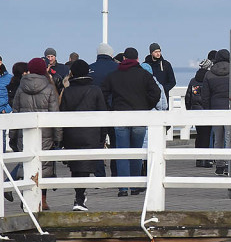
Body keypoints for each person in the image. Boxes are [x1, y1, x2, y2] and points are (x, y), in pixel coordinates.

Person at [102, 47, 162, 194]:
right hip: (139, 116)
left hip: (120, 117)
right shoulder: (144, 75)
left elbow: (103, 92)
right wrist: (147, 106)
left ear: (123, 59)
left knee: (122, 153)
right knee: (137, 152)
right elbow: (156, 92)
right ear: (137, 59)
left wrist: (112, 107)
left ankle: (123, 187)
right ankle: (135, 185)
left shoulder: (113, 76)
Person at [13, 58, 61, 210]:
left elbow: (15, 112)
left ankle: (26, 196)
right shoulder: (49, 88)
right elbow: (55, 114)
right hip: (45, 134)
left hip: (24, 133)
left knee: (26, 163)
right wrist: (58, 137)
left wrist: (12, 136)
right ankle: (42, 200)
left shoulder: (21, 88)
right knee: (44, 166)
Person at [59, 59, 107, 211]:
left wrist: (62, 139)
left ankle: (79, 196)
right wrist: (102, 136)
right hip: (90, 134)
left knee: (75, 167)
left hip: (72, 134)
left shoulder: (67, 91)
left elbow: (62, 114)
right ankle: (80, 198)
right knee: (85, 167)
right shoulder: (95, 90)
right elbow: (102, 114)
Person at [201, 48, 231, 175]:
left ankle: (219, 165)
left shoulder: (209, 74)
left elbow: (205, 95)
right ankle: (229, 163)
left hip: (216, 109)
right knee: (229, 137)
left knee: (218, 138)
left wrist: (208, 110)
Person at [186, 56, 214, 167]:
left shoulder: (193, 81)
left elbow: (188, 97)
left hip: (195, 111)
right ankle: (205, 159)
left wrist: (189, 109)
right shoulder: (209, 80)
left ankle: (198, 159)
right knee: (207, 135)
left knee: (199, 135)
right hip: (206, 111)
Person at [144, 43, 177, 108]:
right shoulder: (146, 65)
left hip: (164, 98)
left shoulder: (166, 65)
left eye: (159, 51)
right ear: (151, 53)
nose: (158, 53)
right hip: (150, 97)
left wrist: (163, 90)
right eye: (156, 52)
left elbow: (172, 82)